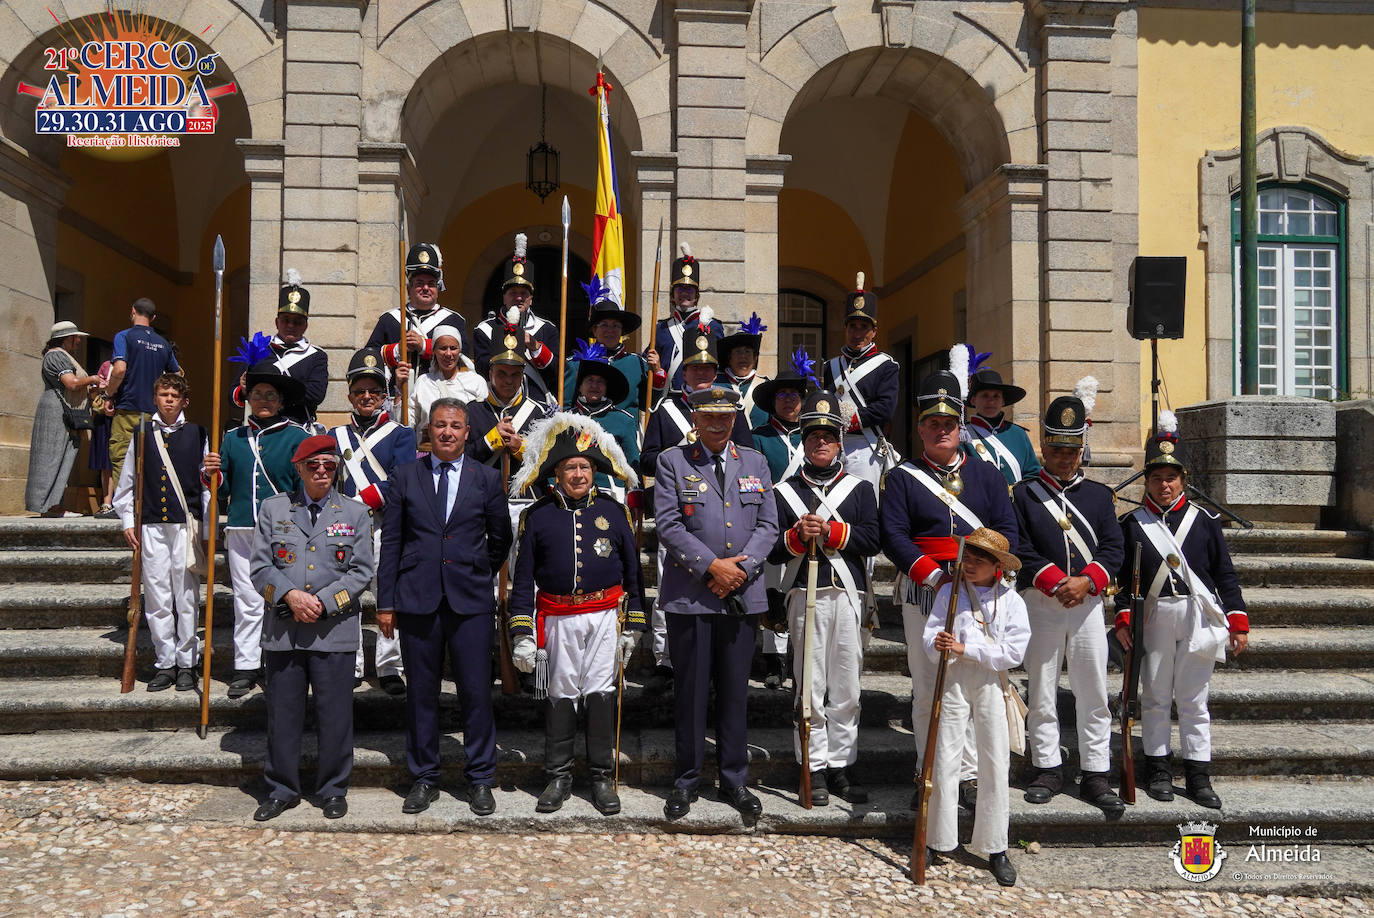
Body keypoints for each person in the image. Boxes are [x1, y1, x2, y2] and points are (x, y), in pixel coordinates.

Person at [880, 370, 1018, 810]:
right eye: (933, 424)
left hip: (979, 594)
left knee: (975, 687)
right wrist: (935, 577)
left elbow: (1007, 529)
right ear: (920, 429)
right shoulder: (903, 477)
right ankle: (931, 771)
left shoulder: (989, 476)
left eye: (949, 424)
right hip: (927, 589)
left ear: (962, 428)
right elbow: (895, 536)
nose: (942, 430)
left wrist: (983, 575)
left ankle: (972, 778)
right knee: (928, 687)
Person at [376, 398, 513, 816]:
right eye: (440, 425)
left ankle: (480, 778)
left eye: (455, 425)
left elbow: (500, 538)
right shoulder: (405, 476)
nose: (448, 432)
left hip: (469, 600)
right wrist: (386, 602)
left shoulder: (486, 478)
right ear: (428, 431)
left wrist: (474, 569)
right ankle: (424, 777)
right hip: (417, 600)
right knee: (421, 693)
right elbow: (393, 542)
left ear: (467, 431)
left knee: (475, 693)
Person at [506, 413, 645, 815]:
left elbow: (634, 575)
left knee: (602, 694)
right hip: (556, 619)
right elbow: (524, 580)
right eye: (571, 468)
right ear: (557, 474)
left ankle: (602, 776)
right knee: (560, 695)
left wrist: (633, 627)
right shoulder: (537, 516)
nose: (580, 474)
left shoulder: (614, 512)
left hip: (605, 617)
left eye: (585, 467)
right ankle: (558, 776)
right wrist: (522, 633)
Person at [654, 385, 779, 822]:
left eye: (726, 416)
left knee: (734, 692)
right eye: (709, 415)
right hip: (691, 595)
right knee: (690, 692)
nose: (717, 422)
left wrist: (739, 571)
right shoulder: (673, 461)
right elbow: (669, 526)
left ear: (735, 418)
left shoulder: (756, 461)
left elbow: (768, 524)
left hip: (742, 595)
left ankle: (734, 779)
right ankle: (686, 779)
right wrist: (712, 567)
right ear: (695, 416)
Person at [1115, 412, 1248, 810]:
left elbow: (1224, 574)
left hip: (1196, 615)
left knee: (1194, 699)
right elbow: (1123, 580)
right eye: (1156, 478)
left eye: (1171, 477)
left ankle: (1198, 775)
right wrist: (1123, 617)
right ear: (1147, 481)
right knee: (1154, 696)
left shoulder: (1205, 522)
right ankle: (1158, 769)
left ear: (1183, 480)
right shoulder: (1131, 525)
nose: (1164, 485)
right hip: (1154, 615)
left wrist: (1238, 620)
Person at [1012, 382, 1126, 814]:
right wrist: (1056, 580)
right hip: (1041, 603)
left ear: (1081, 449)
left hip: (1088, 605)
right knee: (1041, 688)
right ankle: (1047, 767)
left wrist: (1088, 582)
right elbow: (1019, 547)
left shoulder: (1099, 497)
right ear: (1044, 446)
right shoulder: (1023, 495)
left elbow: (1113, 548)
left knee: (1092, 689)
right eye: (1057, 450)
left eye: (1072, 450)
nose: (1064, 457)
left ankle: (1096, 773)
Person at [249, 436, 375, 822]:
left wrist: (322, 602)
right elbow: (259, 567)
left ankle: (333, 789)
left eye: (329, 465)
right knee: (283, 715)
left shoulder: (354, 513)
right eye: (314, 465)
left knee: (335, 715)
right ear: (299, 468)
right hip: (284, 631)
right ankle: (281, 789)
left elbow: (362, 571)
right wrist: (289, 596)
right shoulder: (273, 508)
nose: (322, 471)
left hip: (332, 629)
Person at [768, 390, 880, 805]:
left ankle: (841, 766)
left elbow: (872, 538)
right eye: (813, 434)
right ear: (803, 440)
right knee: (809, 687)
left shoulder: (859, 490)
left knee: (847, 687)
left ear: (839, 442)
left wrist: (832, 533)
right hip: (803, 594)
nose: (820, 441)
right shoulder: (783, 493)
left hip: (847, 597)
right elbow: (772, 550)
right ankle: (811, 767)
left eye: (828, 435)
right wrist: (797, 538)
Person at [639, 329, 755, 694]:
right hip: (678, 510)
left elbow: (750, 458)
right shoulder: (666, 410)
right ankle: (666, 658)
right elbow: (645, 459)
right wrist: (681, 452)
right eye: (694, 369)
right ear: (683, 373)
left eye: (708, 369)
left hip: (721, 513)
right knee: (670, 587)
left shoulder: (731, 408)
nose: (701, 375)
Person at [922, 528, 1029, 887]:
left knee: (995, 761)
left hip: (989, 681)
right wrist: (937, 642)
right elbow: (931, 632)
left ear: (997, 567)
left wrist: (968, 649)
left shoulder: (1012, 601)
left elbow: (1014, 652)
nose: (968, 565)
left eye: (978, 561)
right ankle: (938, 839)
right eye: (966, 558)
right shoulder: (949, 593)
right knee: (946, 757)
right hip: (952, 680)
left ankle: (996, 846)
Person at [202, 364, 310, 698]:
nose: (263, 400)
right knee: (247, 601)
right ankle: (246, 667)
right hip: (242, 528)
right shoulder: (233, 438)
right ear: (247, 398)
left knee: (283, 597)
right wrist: (211, 474)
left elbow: (305, 489)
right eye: (257, 394)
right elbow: (222, 491)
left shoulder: (298, 437)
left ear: (280, 401)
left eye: (270, 395)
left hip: (285, 531)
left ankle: (284, 661)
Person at [113, 373, 210, 692]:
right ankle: (165, 662)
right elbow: (127, 484)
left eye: (174, 395)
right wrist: (128, 520)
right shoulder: (141, 433)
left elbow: (206, 486)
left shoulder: (198, 433)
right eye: (164, 394)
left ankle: (187, 663)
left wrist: (205, 524)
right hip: (151, 526)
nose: (169, 399)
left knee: (185, 596)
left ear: (184, 400)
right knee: (156, 596)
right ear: (155, 398)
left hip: (184, 526)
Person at [330, 349, 418, 695]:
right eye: (360, 391)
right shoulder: (335, 435)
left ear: (385, 396)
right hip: (345, 530)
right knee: (345, 597)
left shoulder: (401, 435)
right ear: (350, 395)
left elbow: (400, 480)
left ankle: (389, 666)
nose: (367, 397)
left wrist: (358, 502)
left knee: (387, 597)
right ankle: (349, 663)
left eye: (374, 391)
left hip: (384, 525)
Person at [750, 348, 818, 689]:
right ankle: (774, 660)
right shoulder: (759, 437)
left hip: (812, 521)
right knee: (774, 587)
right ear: (773, 401)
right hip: (774, 518)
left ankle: (800, 655)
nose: (789, 400)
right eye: (782, 395)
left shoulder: (816, 436)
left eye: (794, 394)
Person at [822, 274, 900, 494]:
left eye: (863, 327)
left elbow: (885, 409)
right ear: (845, 329)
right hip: (833, 445)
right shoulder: (831, 366)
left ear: (873, 331)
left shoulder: (886, 365)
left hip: (866, 446)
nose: (857, 333)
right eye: (852, 326)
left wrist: (850, 419)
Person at [230, 272, 329, 427]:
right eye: (286, 320)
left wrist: (269, 389)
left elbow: (315, 394)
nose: (291, 325)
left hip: (296, 427)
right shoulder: (257, 349)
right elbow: (232, 396)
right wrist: (243, 390)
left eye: (297, 322)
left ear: (305, 325)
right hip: (259, 428)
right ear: (277, 322)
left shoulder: (316, 356)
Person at [367, 242, 472, 385]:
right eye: (419, 283)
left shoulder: (453, 320)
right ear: (409, 290)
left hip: (439, 397)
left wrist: (424, 346)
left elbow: (463, 359)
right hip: (398, 397)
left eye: (431, 284)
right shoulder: (389, 319)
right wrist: (397, 350)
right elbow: (369, 357)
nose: (426, 288)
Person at [473, 233, 560, 404]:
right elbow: (483, 369)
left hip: (537, 404)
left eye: (524, 294)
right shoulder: (484, 329)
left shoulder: (547, 329)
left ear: (531, 299)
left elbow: (555, 372)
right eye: (513, 293)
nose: (518, 298)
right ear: (504, 297)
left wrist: (534, 346)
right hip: (498, 403)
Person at [26, 321, 100, 517]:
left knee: (63, 456)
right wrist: (93, 379)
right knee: (51, 456)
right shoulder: (56, 356)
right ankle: (48, 506)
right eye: (76, 338)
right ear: (67, 338)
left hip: (62, 409)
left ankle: (54, 505)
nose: (78, 342)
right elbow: (71, 383)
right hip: (55, 410)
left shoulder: (62, 356)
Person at [107, 297, 179, 479]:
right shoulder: (163, 344)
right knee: (149, 464)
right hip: (153, 413)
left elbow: (119, 369)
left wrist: (108, 394)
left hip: (127, 410)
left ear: (132, 311)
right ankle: (145, 506)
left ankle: (126, 506)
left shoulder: (124, 336)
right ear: (153, 317)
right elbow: (177, 376)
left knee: (122, 460)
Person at [565, 341, 641, 504]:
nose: (594, 386)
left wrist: (635, 496)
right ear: (580, 386)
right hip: (571, 493)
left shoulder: (623, 420)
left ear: (606, 388)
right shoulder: (565, 420)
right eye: (590, 380)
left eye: (600, 382)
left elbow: (633, 462)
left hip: (611, 495)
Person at [646, 242, 724, 395]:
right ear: (672, 296)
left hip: (701, 397)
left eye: (689, 289)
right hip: (668, 398)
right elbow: (647, 367)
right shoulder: (661, 328)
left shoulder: (713, 327)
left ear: (696, 296)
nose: (684, 293)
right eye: (680, 288)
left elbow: (720, 366)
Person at [563, 298, 650, 417]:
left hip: (625, 433)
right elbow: (565, 407)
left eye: (615, 326)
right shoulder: (575, 364)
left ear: (622, 331)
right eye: (604, 325)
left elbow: (649, 406)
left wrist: (657, 374)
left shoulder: (637, 364)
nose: (610, 330)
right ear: (594, 330)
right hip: (586, 433)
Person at [965, 364, 1041, 489]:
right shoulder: (963, 435)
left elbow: (1033, 474)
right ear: (973, 400)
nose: (991, 401)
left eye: (996, 396)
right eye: (985, 395)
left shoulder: (1018, 433)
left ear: (1003, 401)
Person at [410, 325, 487, 439]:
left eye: (453, 348)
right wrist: (400, 391)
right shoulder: (423, 382)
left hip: (465, 452)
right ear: (434, 351)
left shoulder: (476, 382)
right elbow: (407, 423)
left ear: (459, 350)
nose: (448, 354)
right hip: (428, 452)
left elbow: (483, 422)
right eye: (443, 348)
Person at [717, 313, 770, 428]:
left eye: (747, 352)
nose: (743, 357)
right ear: (729, 358)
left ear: (755, 358)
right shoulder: (716, 384)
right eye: (738, 352)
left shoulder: (766, 386)